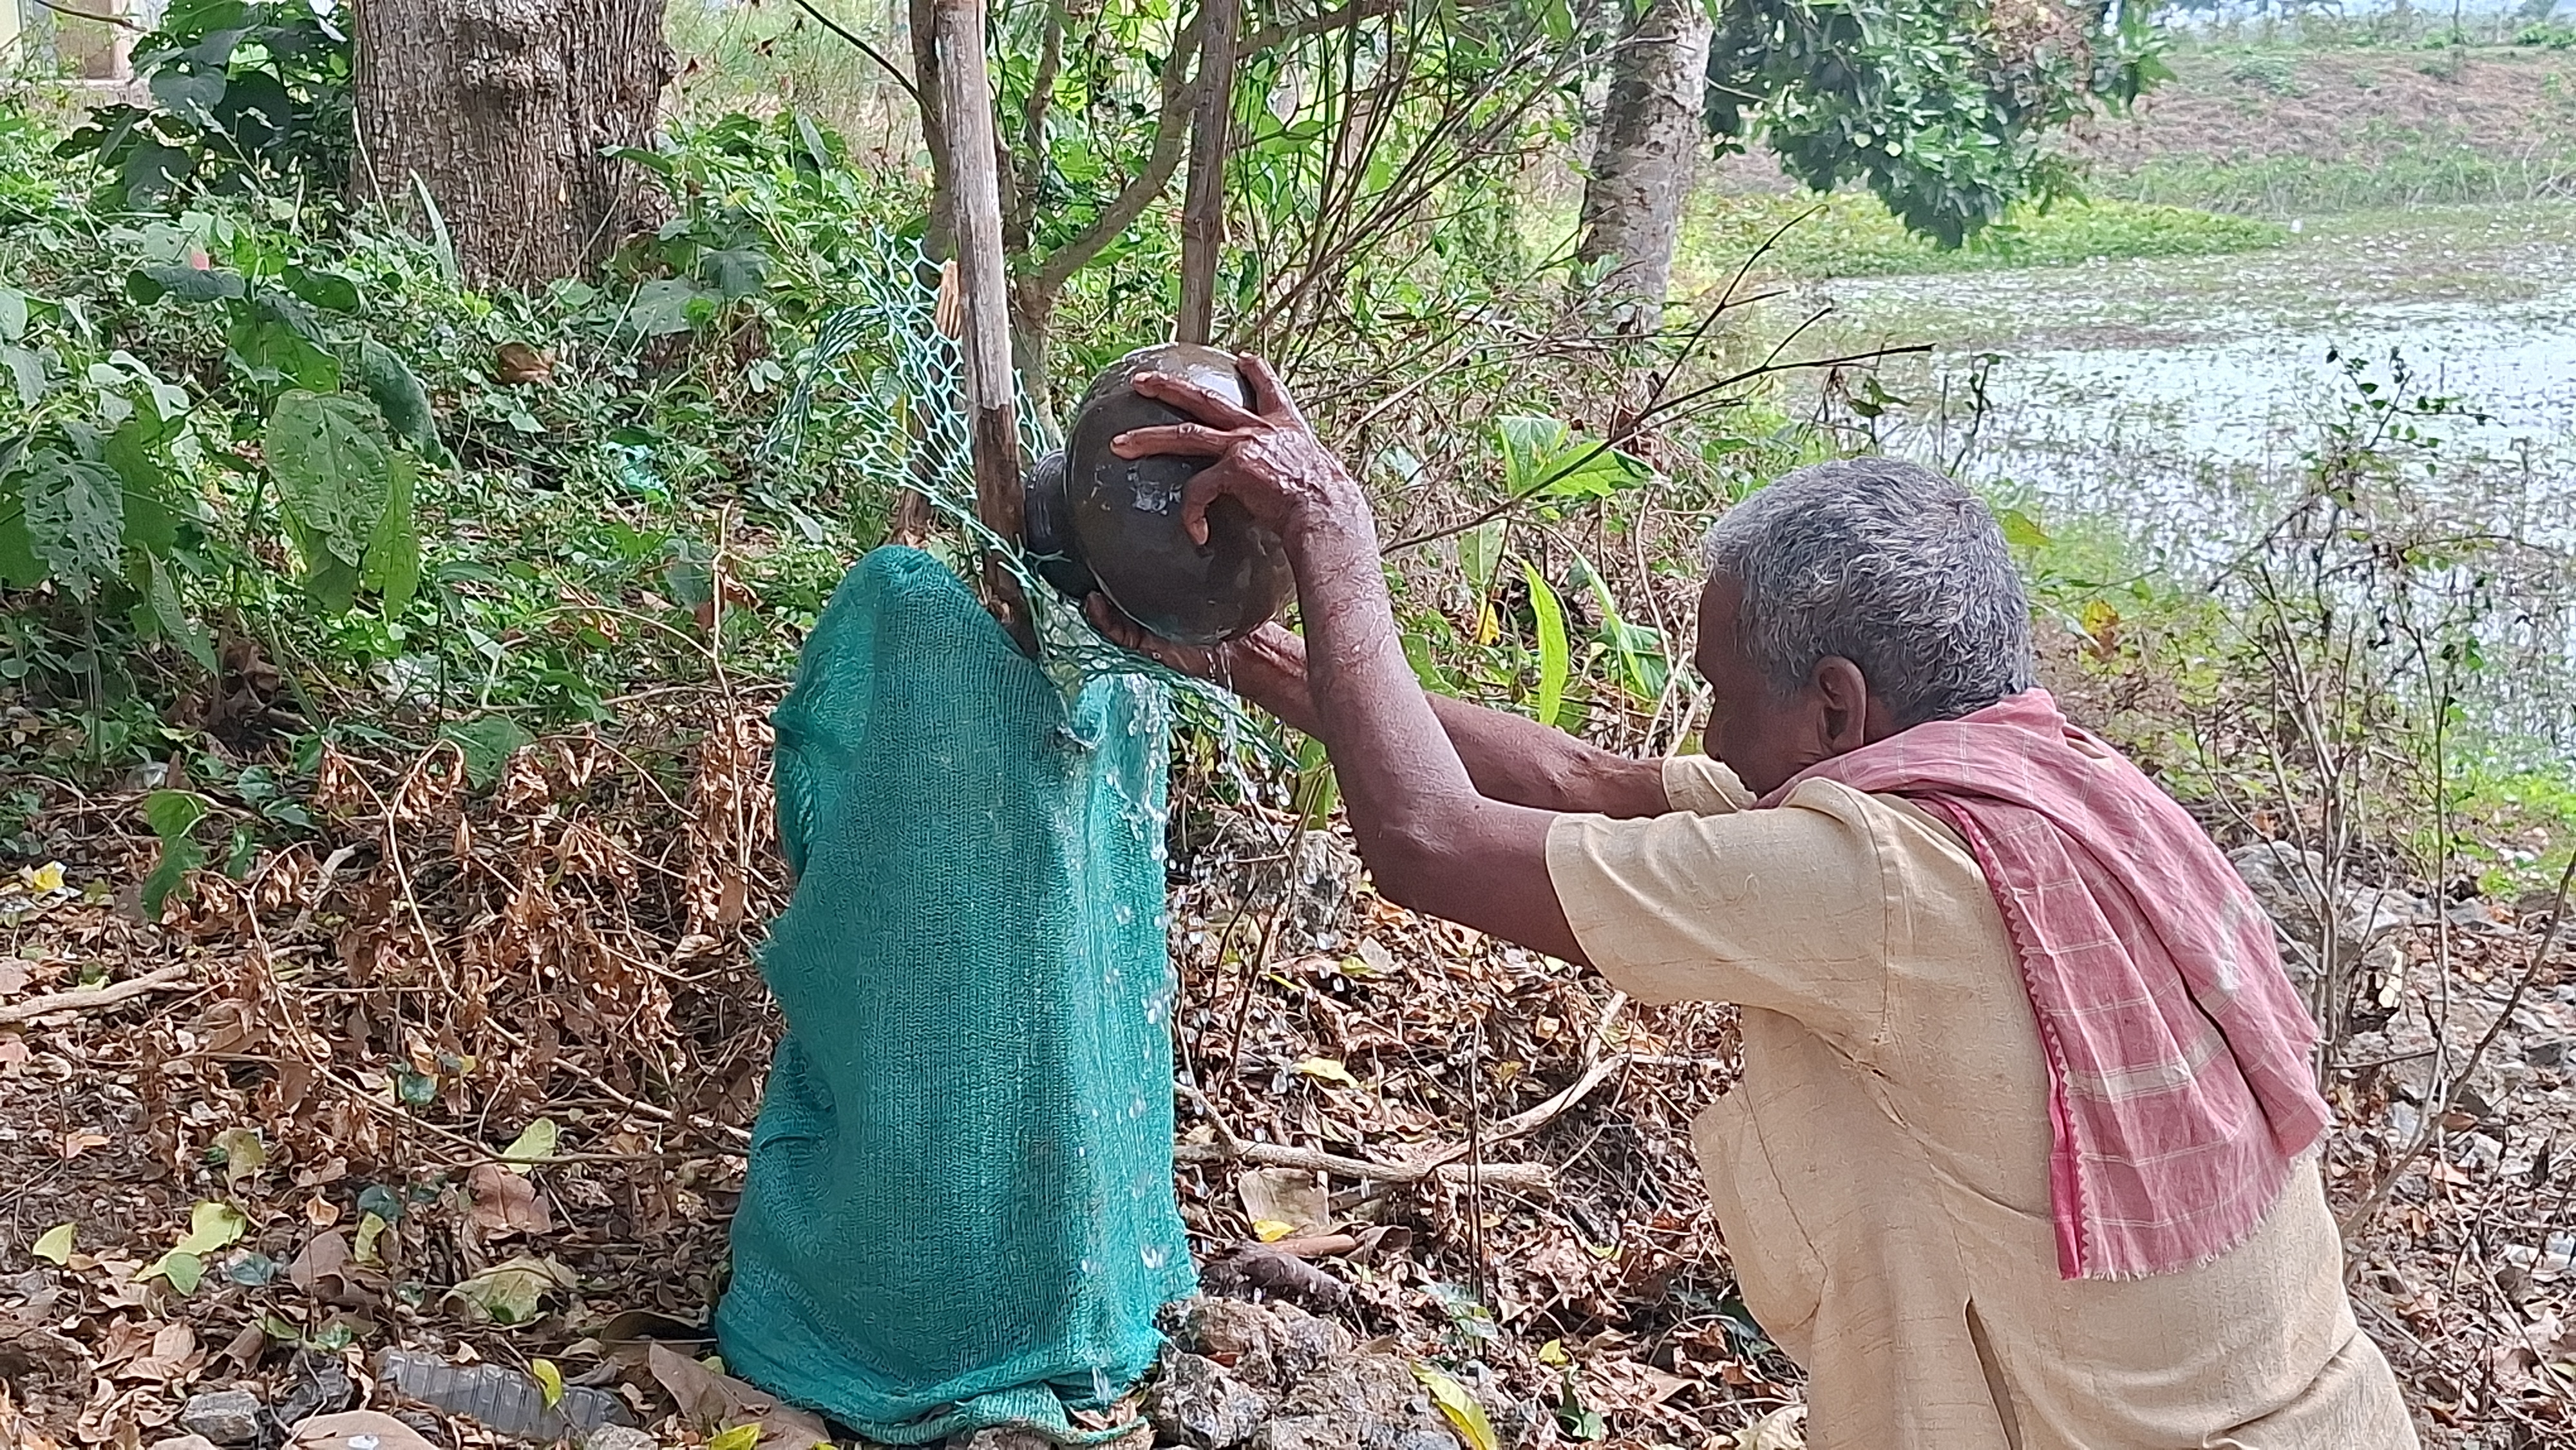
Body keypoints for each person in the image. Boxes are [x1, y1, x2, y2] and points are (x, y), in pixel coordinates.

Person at [1089, 355, 2420, 1449]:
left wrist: (1331, 529)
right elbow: (1588, 780)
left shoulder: (1878, 880)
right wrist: (1240, 653)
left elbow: (1429, 841)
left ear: (1836, 706)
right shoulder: (2053, 788)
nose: (1713, 729)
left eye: (1727, 690)